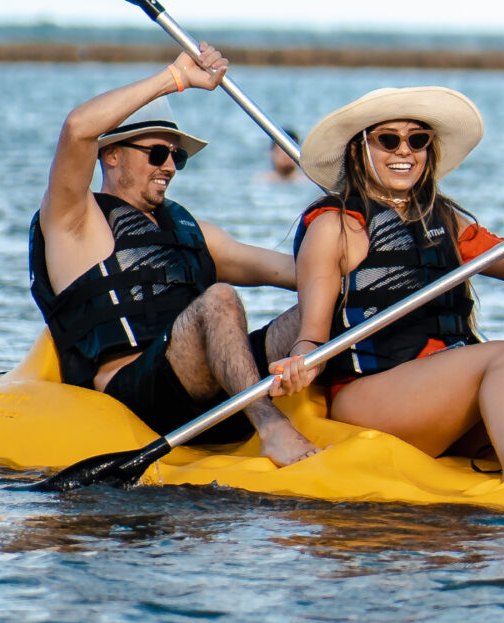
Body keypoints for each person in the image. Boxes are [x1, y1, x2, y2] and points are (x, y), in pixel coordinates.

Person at [28, 46, 319, 467]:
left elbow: (300, 272)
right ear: (111, 154)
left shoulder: (192, 232)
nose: (169, 167)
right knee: (219, 298)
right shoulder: (74, 218)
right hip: (137, 396)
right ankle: (273, 429)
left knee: (322, 300)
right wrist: (176, 78)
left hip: (208, 388)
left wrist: (354, 234)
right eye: (157, 153)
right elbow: (77, 129)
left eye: (176, 156)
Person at [279, 86, 504, 481]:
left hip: (445, 390)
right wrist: (301, 362)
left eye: (417, 140)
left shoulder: (443, 219)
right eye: (389, 140)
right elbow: (313, 336)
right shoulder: (334, 226)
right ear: (359, 150)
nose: (405, 151)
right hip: (372, 396)